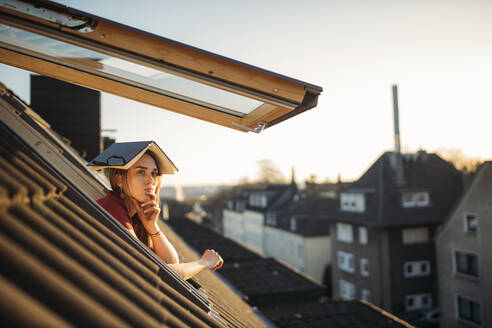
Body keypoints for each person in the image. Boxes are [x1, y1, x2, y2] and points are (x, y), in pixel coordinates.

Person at [91, 142, 223, 280]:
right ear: (119, 179)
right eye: (141, 172)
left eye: (154, 173)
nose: (151, 181)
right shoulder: (113, 210)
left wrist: (151, 226)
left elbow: (171, 263)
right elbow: (157, 272)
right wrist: (204, 263)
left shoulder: (134, 216)